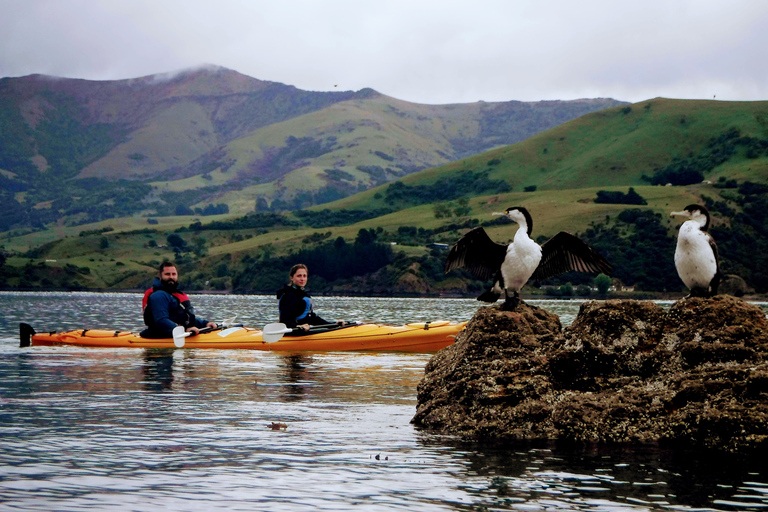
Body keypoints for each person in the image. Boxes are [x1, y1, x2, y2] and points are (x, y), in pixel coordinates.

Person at [141, 261, 217, 338]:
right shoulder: (158, 296)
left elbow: (186, 318)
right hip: (161, 335)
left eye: (173, 274)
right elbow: (161, 321)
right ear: (160, 276)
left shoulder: (174, 295)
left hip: (179, 332)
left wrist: (205, 323)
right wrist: (184, 330)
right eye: (167, 274)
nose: (171, 277)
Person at [276, 263, 344, 333]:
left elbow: (312, 318)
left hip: (304, 332)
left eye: (304, 276)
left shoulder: (302, 295)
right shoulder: (288, 296)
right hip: (294, 333)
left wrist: (333, 324)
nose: (302, 279)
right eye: (299, 276)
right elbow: (285, 321)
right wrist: (298, 326)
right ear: (292, 278)